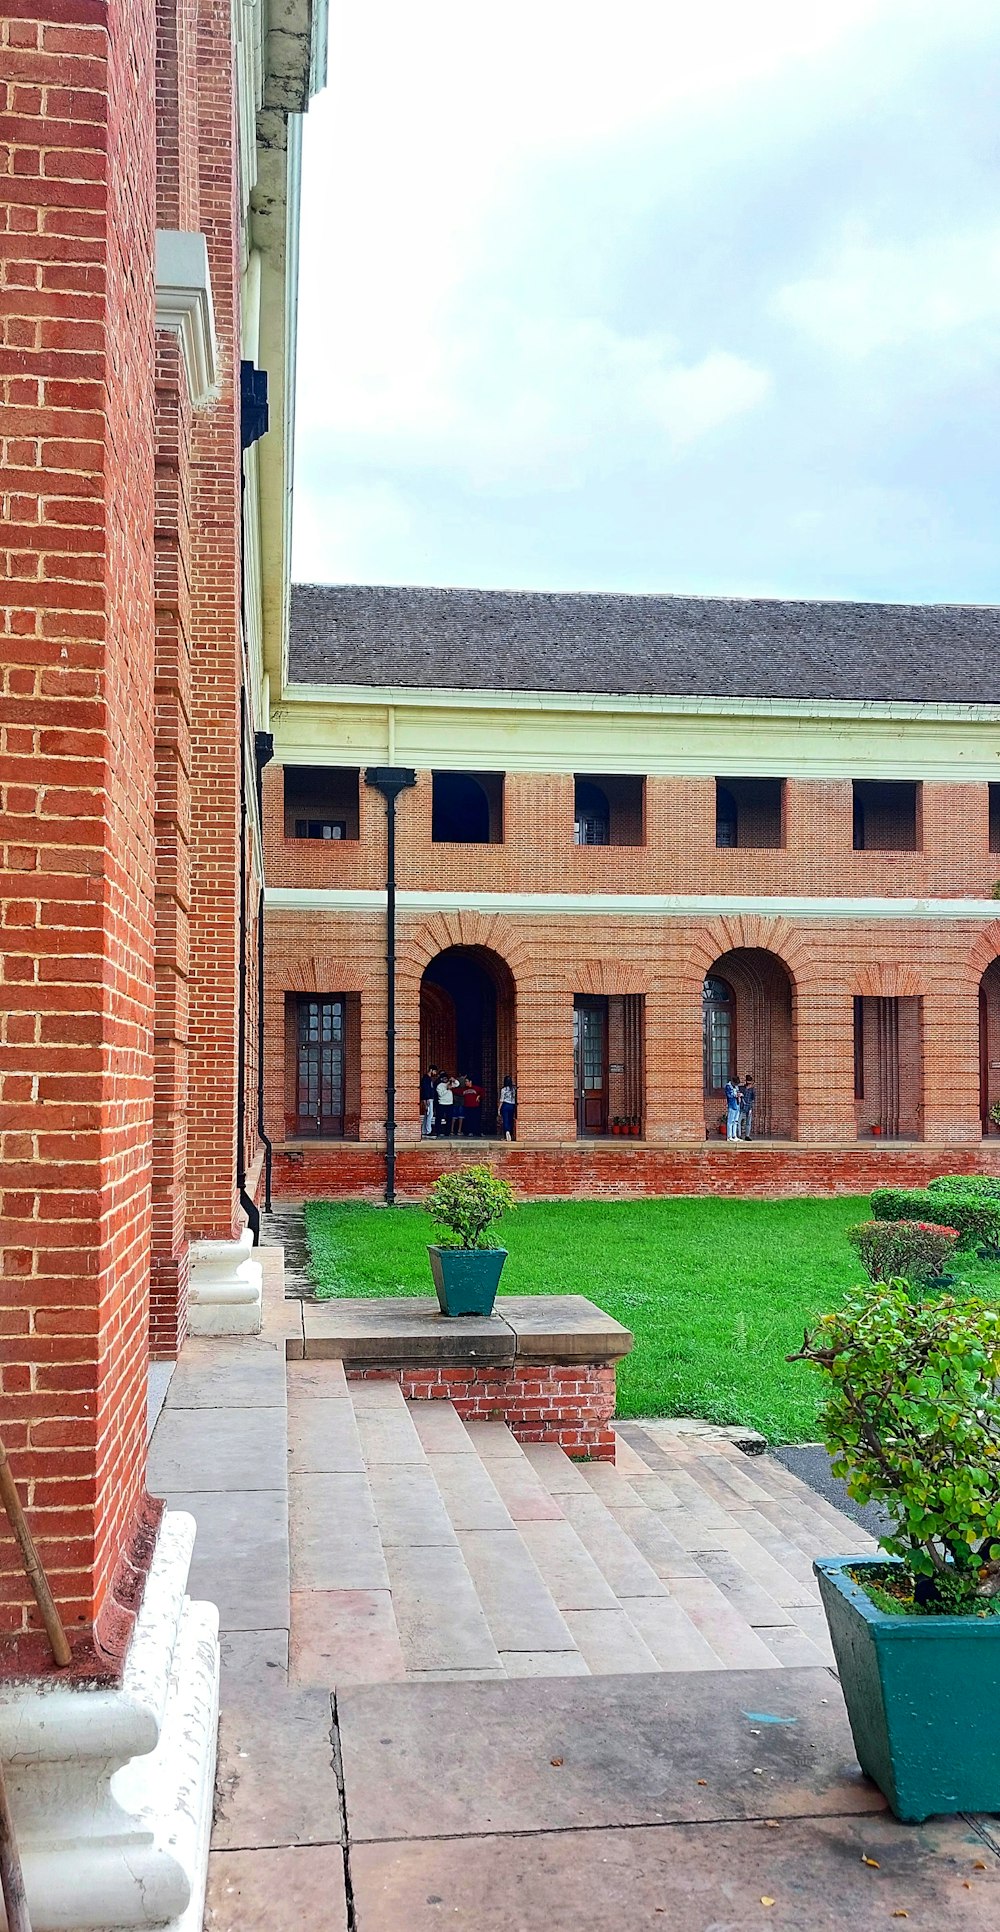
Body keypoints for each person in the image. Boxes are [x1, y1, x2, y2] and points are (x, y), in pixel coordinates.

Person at [435, 1070, 455, 1136]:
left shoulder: (450, 1083)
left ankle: (447, 1132)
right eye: (444, 1078)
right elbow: (441, 1094)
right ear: (441, 1079)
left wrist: (453, 1080)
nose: (445, 1079)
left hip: (450, 1103)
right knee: (439, 1118)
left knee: (449, 1118)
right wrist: (447, 1089)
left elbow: (457, 1084)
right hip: (442, 1103)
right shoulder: (439, 1086)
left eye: (446, 1078)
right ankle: (438, 1131)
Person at [420, 1067, 437, 1139]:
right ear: (431, 1070)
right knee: (430, 1114)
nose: (435, 1073)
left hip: (429, 1098)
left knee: (427, 1115)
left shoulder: (428, 1078)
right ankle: (428, 1131)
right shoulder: (426, 1079)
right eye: (435, 1071)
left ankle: (424, 1130)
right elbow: (425, 1090)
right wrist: (426, 1100)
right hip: (428, 1099)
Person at [499, 1075, 517, 1141]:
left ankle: (507, 1132)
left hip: (505, 1105)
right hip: (512, 1105)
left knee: (505, 1119)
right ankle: (510, 1133)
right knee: (510, 1119)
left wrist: (499, 1108)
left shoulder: (503, 1089)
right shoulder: (513, 1089)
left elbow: (501, 1100)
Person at [724, 1075, 741, 1141]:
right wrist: (736, 1095)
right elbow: (729, 1095)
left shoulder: (736, 1086)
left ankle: (734, 1135)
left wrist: (739, 1094)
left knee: (735, 1121)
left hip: (737, 1104)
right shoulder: (728, 1086)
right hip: (732, 1105)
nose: (736, 1085)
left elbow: (738, 1092)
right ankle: (729, 1136)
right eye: (736, 1083)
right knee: (730, 1121)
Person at [739, 1073, 756, 1141]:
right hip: (742, 1107)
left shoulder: (752, 1090)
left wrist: (751, 1108)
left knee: (748, 1122)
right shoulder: (742, 1088)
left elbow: (753, 1099)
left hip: (749, 1107)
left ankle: (747, 1135)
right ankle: (739, 1135)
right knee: (739, 1121)